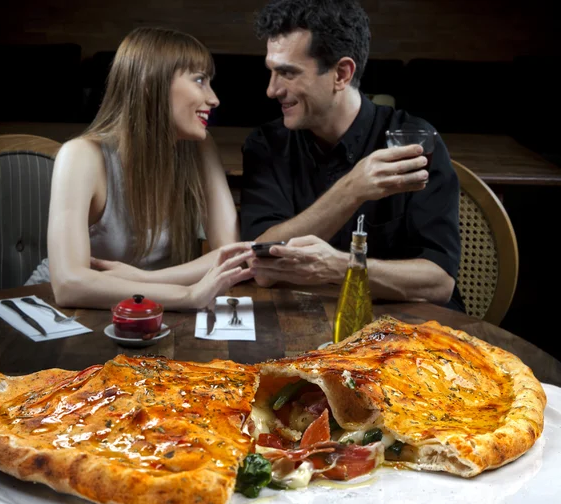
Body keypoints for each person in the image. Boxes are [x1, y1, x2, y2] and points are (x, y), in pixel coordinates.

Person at [240, 0, 464, 311]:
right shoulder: (266, 145)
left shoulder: (414, 140)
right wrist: (353, 189)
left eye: (288, 73)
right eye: (271, 72)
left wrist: (342, 266)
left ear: (342, 74)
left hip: (410, 332)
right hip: (303, 325)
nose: (272, 89)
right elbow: (260, 257)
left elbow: (439, 282)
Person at [28, 27, 255, 309]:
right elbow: (69, 285)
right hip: (64, 309)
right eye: (199, 80)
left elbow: (230, 256)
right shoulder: (81, 156)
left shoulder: (199, 146)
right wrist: (187, 296)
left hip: (149, 308)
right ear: (151, 84)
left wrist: (146, 280)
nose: (214, 99)